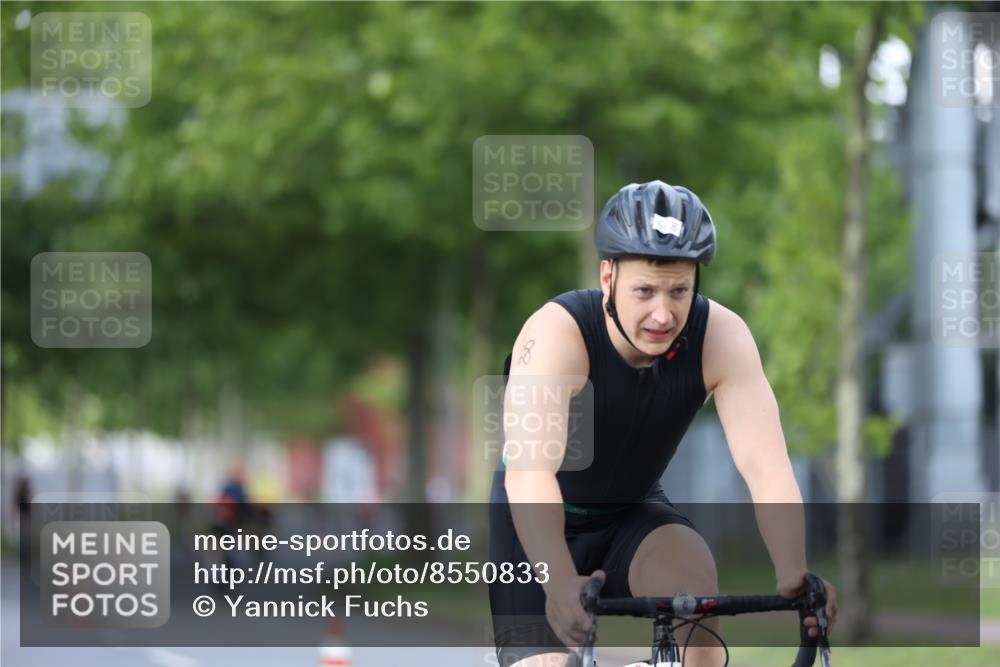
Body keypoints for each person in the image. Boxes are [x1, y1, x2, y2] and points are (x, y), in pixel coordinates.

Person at [488, 181, 837, 667]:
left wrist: (793, 570)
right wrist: (559, 581)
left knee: (695, 602)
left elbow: (767, 468)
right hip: (536, 518)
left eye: (680, 291)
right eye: (645, 291)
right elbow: (530, 474)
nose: (663, 313)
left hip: (631, 512)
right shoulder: (556, 334)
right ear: (607, 278)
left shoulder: (721, 337)